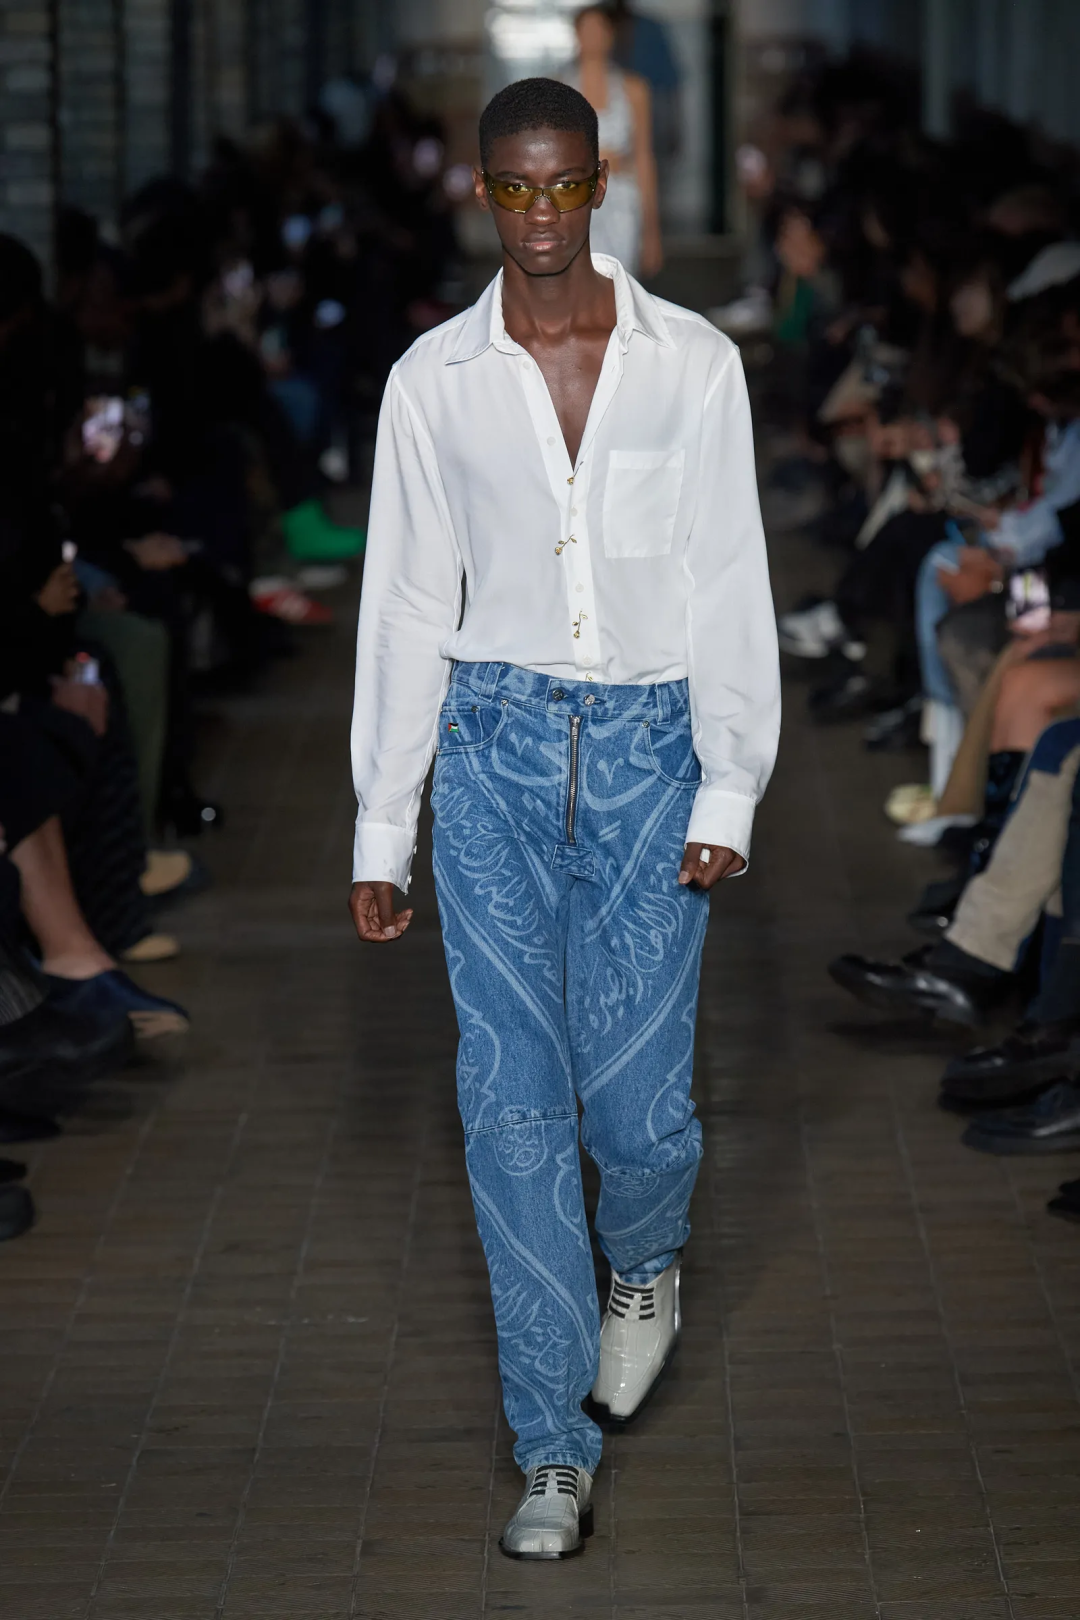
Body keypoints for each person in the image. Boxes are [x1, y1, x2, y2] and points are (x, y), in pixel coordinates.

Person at [348, 77, 779, 1559]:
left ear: (602, 185)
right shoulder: (432, 380)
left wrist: (731, 780)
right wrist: (383, 822)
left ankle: (644, 1258)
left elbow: (729, 574)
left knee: (638, 1115)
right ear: (484, 193)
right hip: (492, 755)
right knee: (513, 1109)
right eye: (514, 188)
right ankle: (550, 1445)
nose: (540, 213)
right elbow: (409, 601)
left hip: (655, 751)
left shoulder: (694, 363)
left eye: (564, 185)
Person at [565, 5, 663, 277]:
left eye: (600, 29)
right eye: (587, 29)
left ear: (611, 35)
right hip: (574, 202)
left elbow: (644, 156)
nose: (594, 37)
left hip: (622, 201)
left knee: (619, 283)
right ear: (576, 35)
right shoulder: (558, 88)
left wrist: (652, 230)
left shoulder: (634, 89)